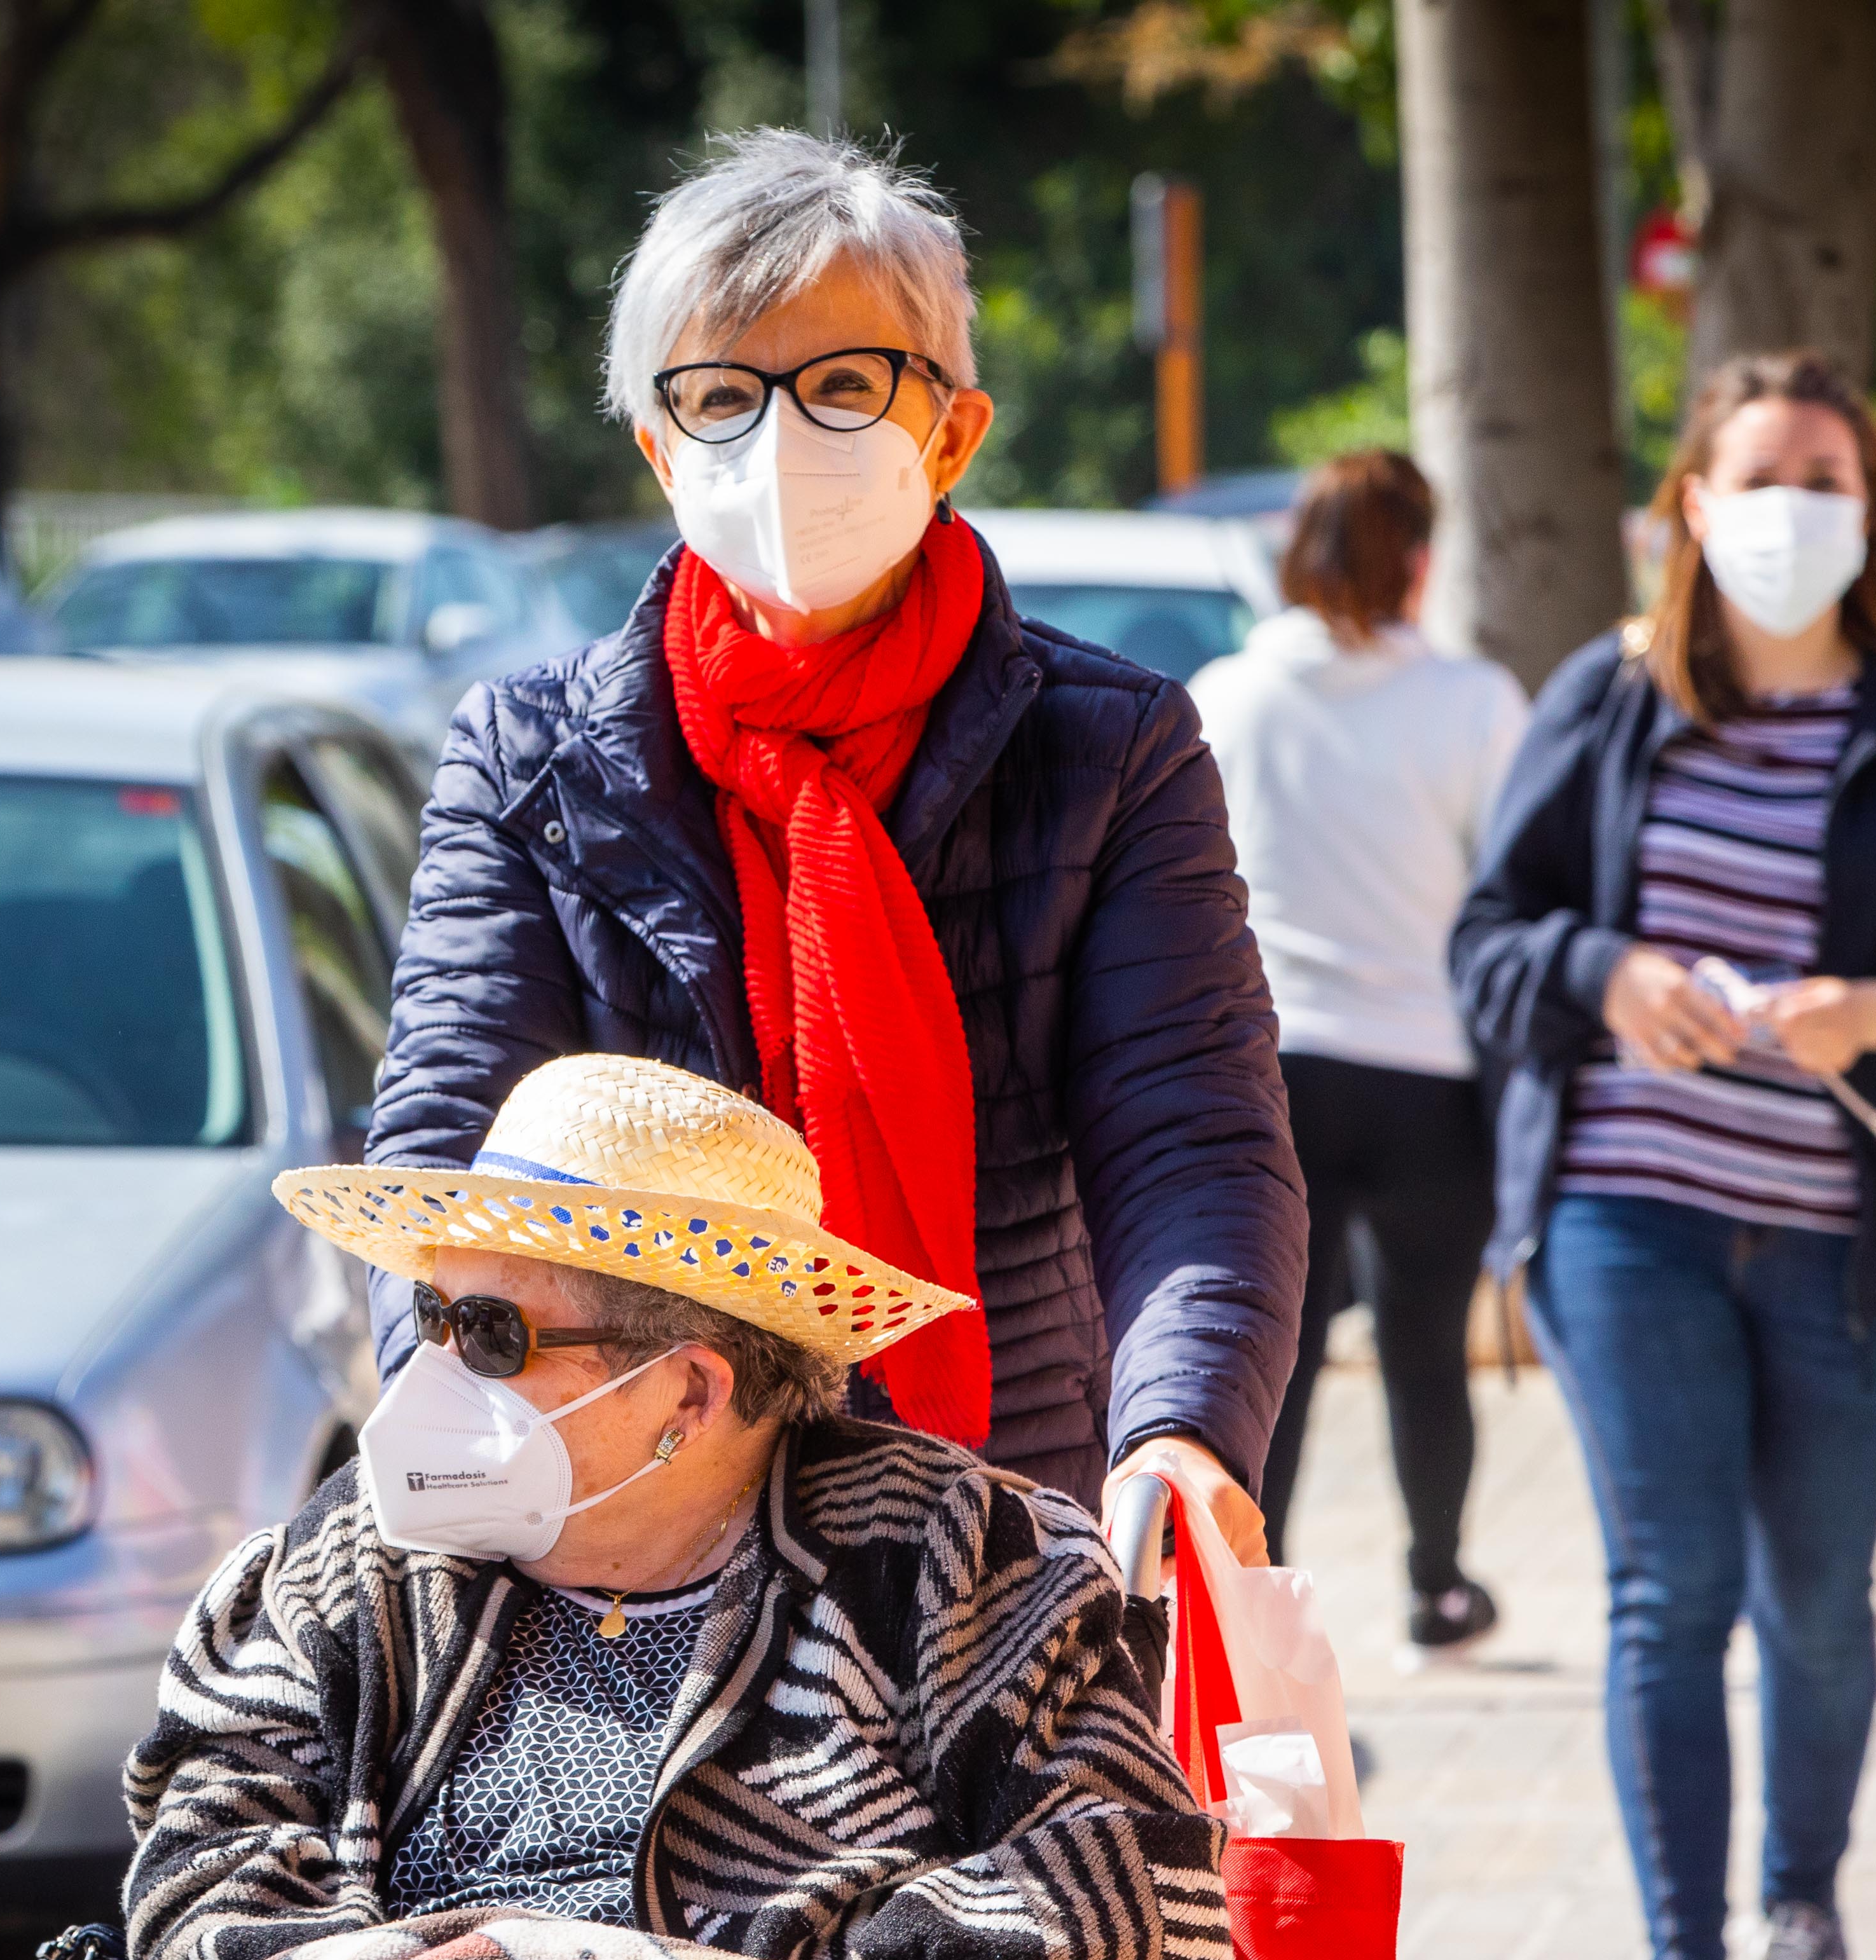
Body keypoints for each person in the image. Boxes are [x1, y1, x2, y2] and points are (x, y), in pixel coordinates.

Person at [78, 1052, 1224, 1960]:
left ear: (690, 1387)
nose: (429, 1373)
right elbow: (207, 1862)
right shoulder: (344, 1570)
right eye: (429, 1315)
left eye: (489, 1333)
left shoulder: (955, 1555)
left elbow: (1128, 1887)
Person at [368, 127, 1303, 1566]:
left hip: (1005, 1522)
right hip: (628, 1515)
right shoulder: (528, 758)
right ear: (659, 449)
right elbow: (450, 1138)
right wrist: (454, 1407)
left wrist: (1181, 1426)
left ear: (952, 434)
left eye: (845, 385)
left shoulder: (1111, 750)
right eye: (720, 395)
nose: (779, 440)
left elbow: (1190, 1137)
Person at [1449, 350, 1876, 1960]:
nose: (1793, 510)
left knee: (1814, 1600)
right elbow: (1488, 944)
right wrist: (1606, 972)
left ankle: (1799, 1908)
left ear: (1872, 509)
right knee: (1670, 1593)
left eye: (1827, 478)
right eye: (1762, 477)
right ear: (1692, 504)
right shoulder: (1610, 697)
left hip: (1847, 1243)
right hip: (1622, 1217)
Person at [1189, 449, 1530, 1655]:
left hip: (1270, 1069)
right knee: (1424, 1348)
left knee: (1270, 1358)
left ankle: (1253, 1603)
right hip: (1429, 1072)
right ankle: (1437, 1586)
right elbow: (1510, 881)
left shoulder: (1226, 696)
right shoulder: (1476, 703)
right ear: (1420, 561)